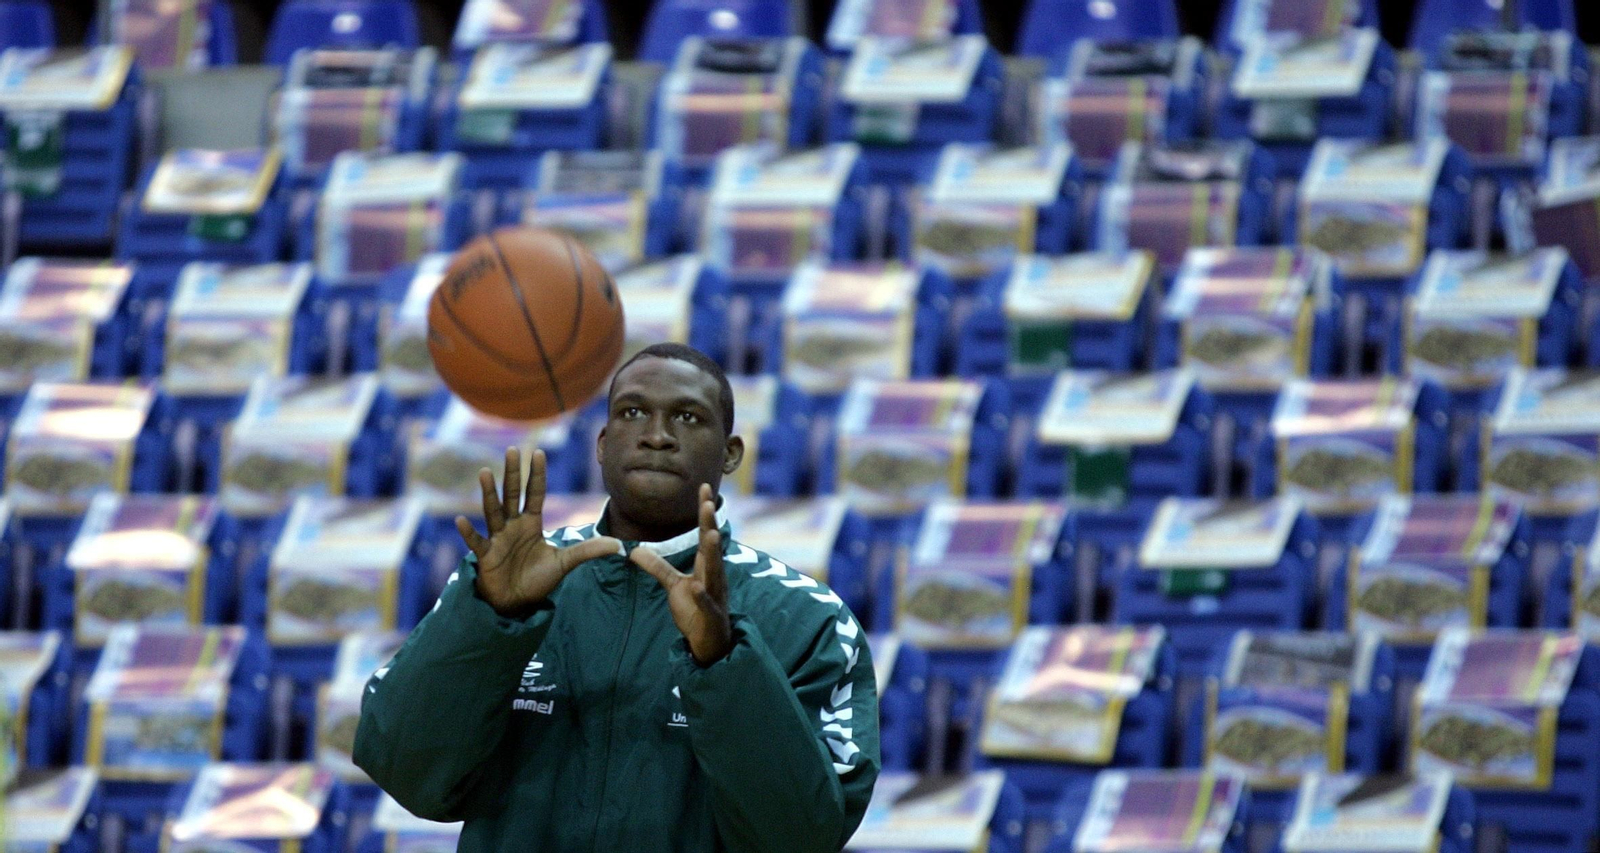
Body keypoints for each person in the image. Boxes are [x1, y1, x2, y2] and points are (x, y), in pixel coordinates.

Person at [354, 342, 881, 852]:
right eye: (633, 413)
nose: (656, 436)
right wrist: (493, 617)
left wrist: (724, 663)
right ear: (603, 444)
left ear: (731, 454)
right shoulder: (505, 584)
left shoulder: (808, 618)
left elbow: (802, 837)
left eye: (688, 418)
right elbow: (408, 774)